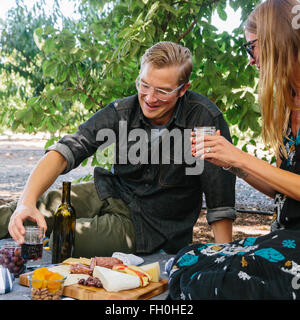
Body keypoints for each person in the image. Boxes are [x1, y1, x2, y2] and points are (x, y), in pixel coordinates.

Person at [0, 41, 236, 258]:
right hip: (111, 193)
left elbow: (220, 203)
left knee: (62, 240)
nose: (150, 98)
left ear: (183, 89)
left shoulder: (205, 119)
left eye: (162, 91)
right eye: (144, 85)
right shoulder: (124, 110)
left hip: (150, 228)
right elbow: (66, 151)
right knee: (17, 215)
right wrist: (25, 203)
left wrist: (223, 261)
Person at [167, 0, 300, 300]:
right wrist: (232, 165)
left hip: (293, 244)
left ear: (276, 40)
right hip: (285, 237)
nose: (251, 60)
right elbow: (282, 189)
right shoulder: (288, 104)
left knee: (214, 283)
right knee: (187, 259)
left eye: (251, 47)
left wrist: (242, 157)